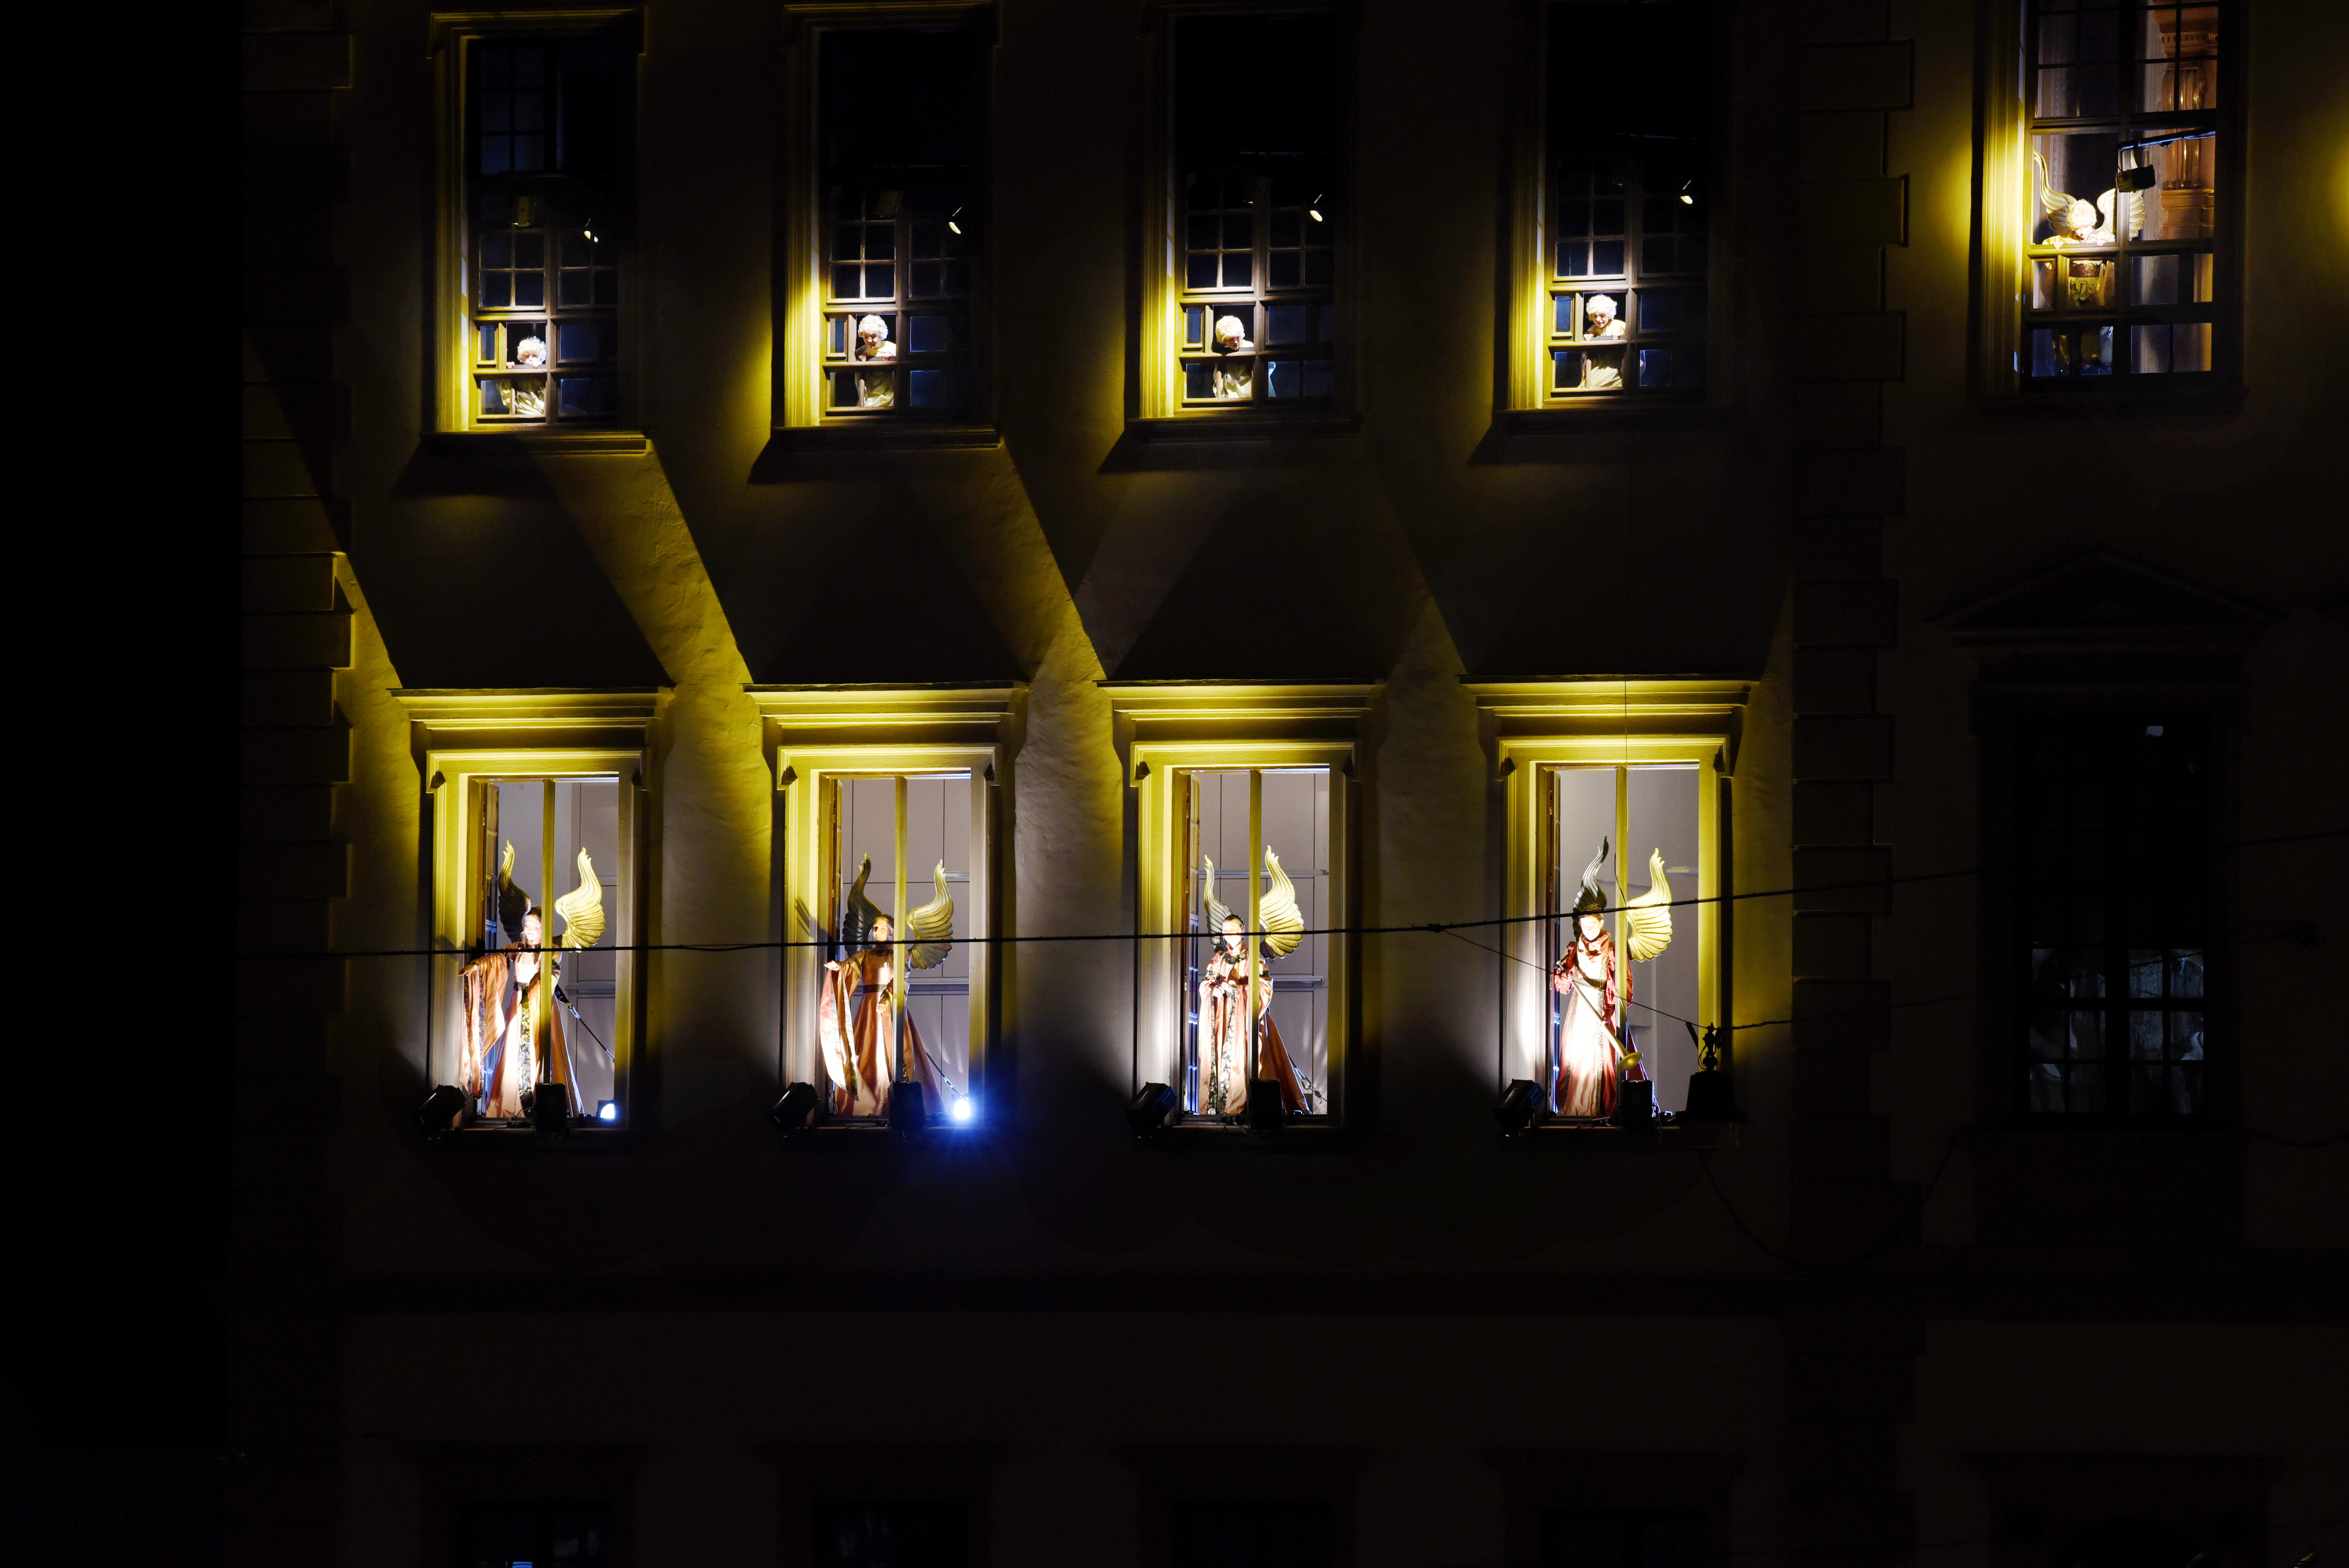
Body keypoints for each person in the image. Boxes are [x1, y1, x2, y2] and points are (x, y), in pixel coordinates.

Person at [458, 905, 577, 1120]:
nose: (530, 930)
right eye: (527, 926)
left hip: (539, 1003)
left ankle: (544, 1105)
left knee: (540, 1049)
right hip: (518, 1003)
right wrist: (476, 966)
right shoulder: (518, 947)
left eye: (535, 926)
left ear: (544, 928)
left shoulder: (551, 950)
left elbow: (550, 974)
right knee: (514, 1052)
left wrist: (534, 989)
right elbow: (498, 959)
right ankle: (509, 1108)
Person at [1549, 838, 1639, 1117]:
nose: (1588, 930)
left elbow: (1622, 984)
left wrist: (1610, 1011)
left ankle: (1601, 1108)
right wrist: (1563, 973)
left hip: (1601, 1009)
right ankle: (1576, 1110)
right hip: (1580, 1010)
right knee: (1577, 1061)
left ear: (1601, 923)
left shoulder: (1612, 950)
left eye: (1593, 925)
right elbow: (1562, 985)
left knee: (1603, 1063)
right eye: (1584, 926)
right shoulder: (1574, 950)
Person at [1197, 913, 1310, 1118]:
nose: (1229, 936)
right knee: (1219, 1059)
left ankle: (1243, 1106)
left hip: (1245, 1019)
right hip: (1222, 1019)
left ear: (1242, 932)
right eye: (1225, 932)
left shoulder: (1254, 957)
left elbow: (1264, 986)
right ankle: (1218, 1107)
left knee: (1248, 1060)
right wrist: (1212, 990)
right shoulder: (1219, 958)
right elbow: (1207, 982)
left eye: (1233, 931)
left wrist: (1238, 991)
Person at [854, 314, 898, 408]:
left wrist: (894, 358)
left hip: (890, 397)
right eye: (866, 337)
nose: (870, 340)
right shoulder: (861, 351)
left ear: (881, 335)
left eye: (873, 337)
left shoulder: (893, 349)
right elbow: (858, 378)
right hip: (868, 398)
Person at [1211, 314, 1254, 400]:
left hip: (1251, 393)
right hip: (1232, 395)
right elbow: (1218, 376)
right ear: (1224, 340)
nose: (1236, 342)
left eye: (1237, 338)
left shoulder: (1250, 347)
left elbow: (1267, 367)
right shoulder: (1223, 354)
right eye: (1231, 339)